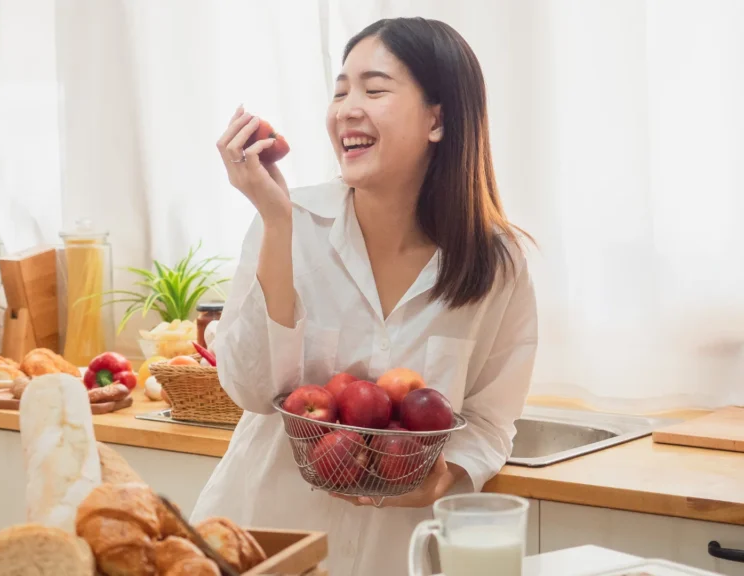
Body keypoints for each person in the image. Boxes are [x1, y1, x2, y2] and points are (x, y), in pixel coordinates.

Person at [189, 17, 539, 575]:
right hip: (266, 546)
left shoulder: (496, 263)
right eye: (341, 90)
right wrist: (277, 225)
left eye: (374, 90)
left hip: (396, 557)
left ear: (438, 119)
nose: (347, 108)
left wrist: (443, 478)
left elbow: (491, 420)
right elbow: (252, 391)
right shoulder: (289, 221)